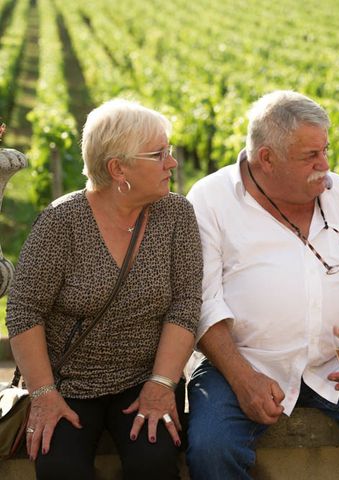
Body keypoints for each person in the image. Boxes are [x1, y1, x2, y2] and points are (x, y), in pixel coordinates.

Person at [185, 90, 339, 479]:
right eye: (310, 156)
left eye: (326, 150)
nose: (325, 165)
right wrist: (243, 378)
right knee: (211, 448)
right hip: (242, 363)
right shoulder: (210, 200)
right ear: (266, 158)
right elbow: (202, 302)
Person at [6, 99, 203, 479]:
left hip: (145, 376)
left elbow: (184, 304)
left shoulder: (177, 214)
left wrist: (162, 385)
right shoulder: (60, 222)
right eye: (159, 154)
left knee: (155, 461)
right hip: (69, 382)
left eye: (171, 151)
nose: (172, 163)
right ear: (118, 169)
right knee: (59, 464)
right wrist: (44, 394)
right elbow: (24, 309)